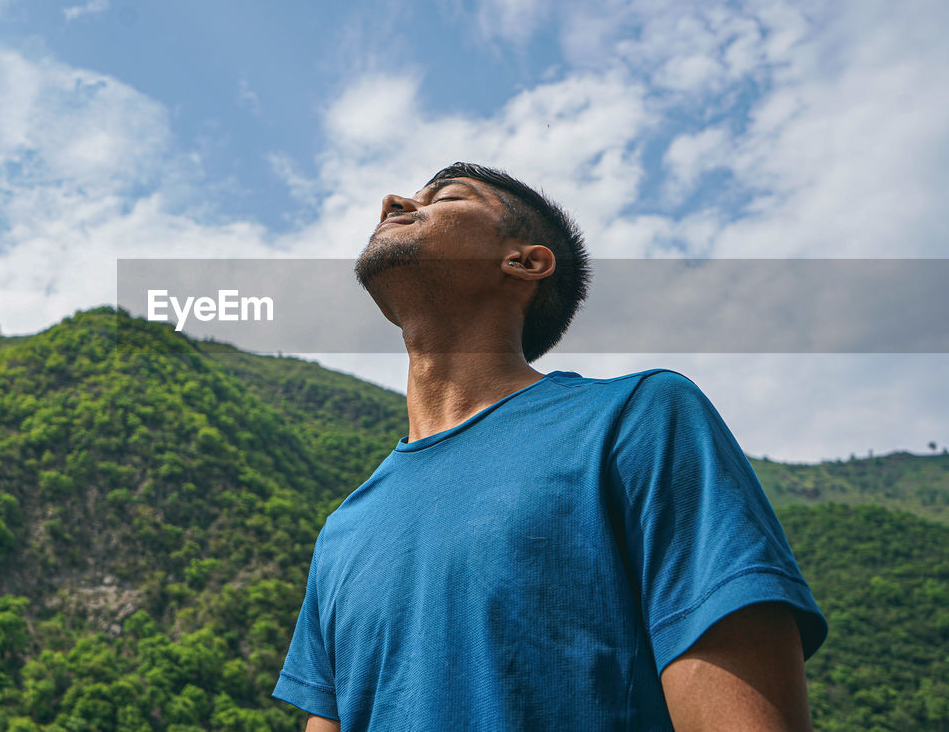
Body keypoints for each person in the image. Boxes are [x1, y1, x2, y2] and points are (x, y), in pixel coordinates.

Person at [271, 162, 827, 731]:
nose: (394, 202)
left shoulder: (640, 420)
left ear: (525, 260)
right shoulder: (345, 528)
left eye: (447, 197)